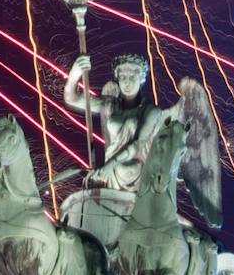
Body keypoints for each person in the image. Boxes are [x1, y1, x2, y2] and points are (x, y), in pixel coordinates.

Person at [62, 52, 162, 193]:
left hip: (135, 174)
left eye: (132, 77)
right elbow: (71, 98)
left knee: (125, 170)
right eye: (122, 77)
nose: (127, 82)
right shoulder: (109, 106)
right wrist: (74, 74)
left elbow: (139, 144)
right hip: (109, 175)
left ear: (141, 78)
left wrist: (110, 165)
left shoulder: (151, 112)